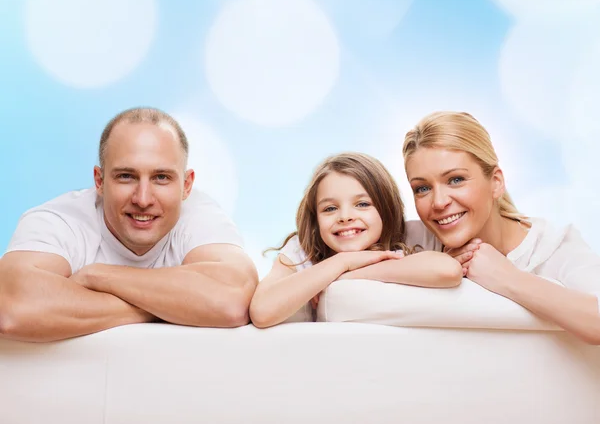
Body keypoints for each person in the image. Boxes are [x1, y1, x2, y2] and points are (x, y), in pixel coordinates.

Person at [0, 107, 258, 342]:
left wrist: (99, 276)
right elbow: (12, 309)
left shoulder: (200, 216)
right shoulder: (59, 220)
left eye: (161, 177)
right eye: (126, 176)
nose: (143, 199)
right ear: (99, 181)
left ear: (186, 185)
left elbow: (232, 302)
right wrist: (175, 307)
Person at [403, 111, 600, 345]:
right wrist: (436, 267)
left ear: (496, 182)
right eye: (422, 188)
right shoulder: (414, 239)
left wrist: (506, 277)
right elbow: (349, 262)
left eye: (456, 180)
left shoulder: (552, 247)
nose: (438, 202)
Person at [249, 152, 463, 328]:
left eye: (362, 204)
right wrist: (341, 262)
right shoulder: (303, 250)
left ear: (386, 207)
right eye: (330, 208)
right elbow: (261, 311)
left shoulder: (413, 234)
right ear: (316, 218)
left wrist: (349, 275)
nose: (345, 216)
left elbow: (448, 270)